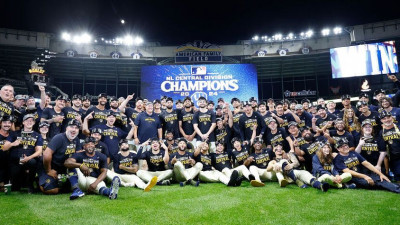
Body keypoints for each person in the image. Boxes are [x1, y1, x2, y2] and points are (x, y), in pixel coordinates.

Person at [334, 139, 400, 193]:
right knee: (369, 182)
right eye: (342, 146)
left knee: (379, 178)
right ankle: (396, 188)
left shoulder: (353, 153)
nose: (345, 147)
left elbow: (366, 164)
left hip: (363, 173)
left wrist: (380, 174)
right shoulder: (338, 159)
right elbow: (348, 171)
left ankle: (396, 187)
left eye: (345, 145)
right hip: (353, 178)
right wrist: (365, 177)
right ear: (338, 149)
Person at [38, 119, 84, 198]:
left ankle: (76, 189)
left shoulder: (76, 140)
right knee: (49, 190)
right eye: (72, 127)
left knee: (71, 163)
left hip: (64, 166)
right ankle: (42, 180)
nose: (74, 130)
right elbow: (46, 154)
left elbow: (78, 154)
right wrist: (48, 170)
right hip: (51, 166)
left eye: (76, 128)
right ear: (66, 128)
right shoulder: (59, 138)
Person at [7, 114, 43, 192]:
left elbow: (39, 151)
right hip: (15, 160)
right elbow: (4, 147)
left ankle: (30, 185)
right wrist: (13, 144)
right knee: (15, 188)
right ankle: (16, 183)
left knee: (33, 162)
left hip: (29, 160)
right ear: (23, 122)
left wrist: (28, 158)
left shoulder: (37, 135)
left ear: (34, 123)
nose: (29, 122)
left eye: (32, 120)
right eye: (27, 120)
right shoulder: (15, 133)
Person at [379, 110, 400, 182]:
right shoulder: (381, 132)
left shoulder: (399, 127)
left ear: (392, 117)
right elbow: (383, 151)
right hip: (394, 159)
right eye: (384, 118)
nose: (387, 120)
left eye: (388, 117)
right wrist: (379, 165)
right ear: (381, 120)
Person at [0, 115, 14, 191]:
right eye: (5, 122)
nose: (7, 124)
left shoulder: (13, 135)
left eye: (9, 123)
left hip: (9, 163)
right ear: (1, 123)